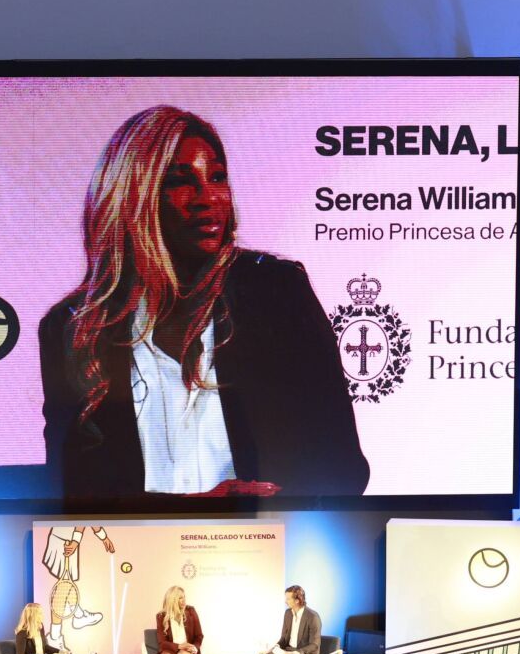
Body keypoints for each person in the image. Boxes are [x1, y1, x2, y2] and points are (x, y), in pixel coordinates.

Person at [39, 105, 369, 502]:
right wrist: (188, 512)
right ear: (134, 196)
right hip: (135, 556)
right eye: (180, 182)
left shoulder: (275, 293)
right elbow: (74, 491)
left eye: (217, 177)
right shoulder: (75, 327)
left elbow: (342, 467)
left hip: (267, 549)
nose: (206, 198)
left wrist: (257, 515)